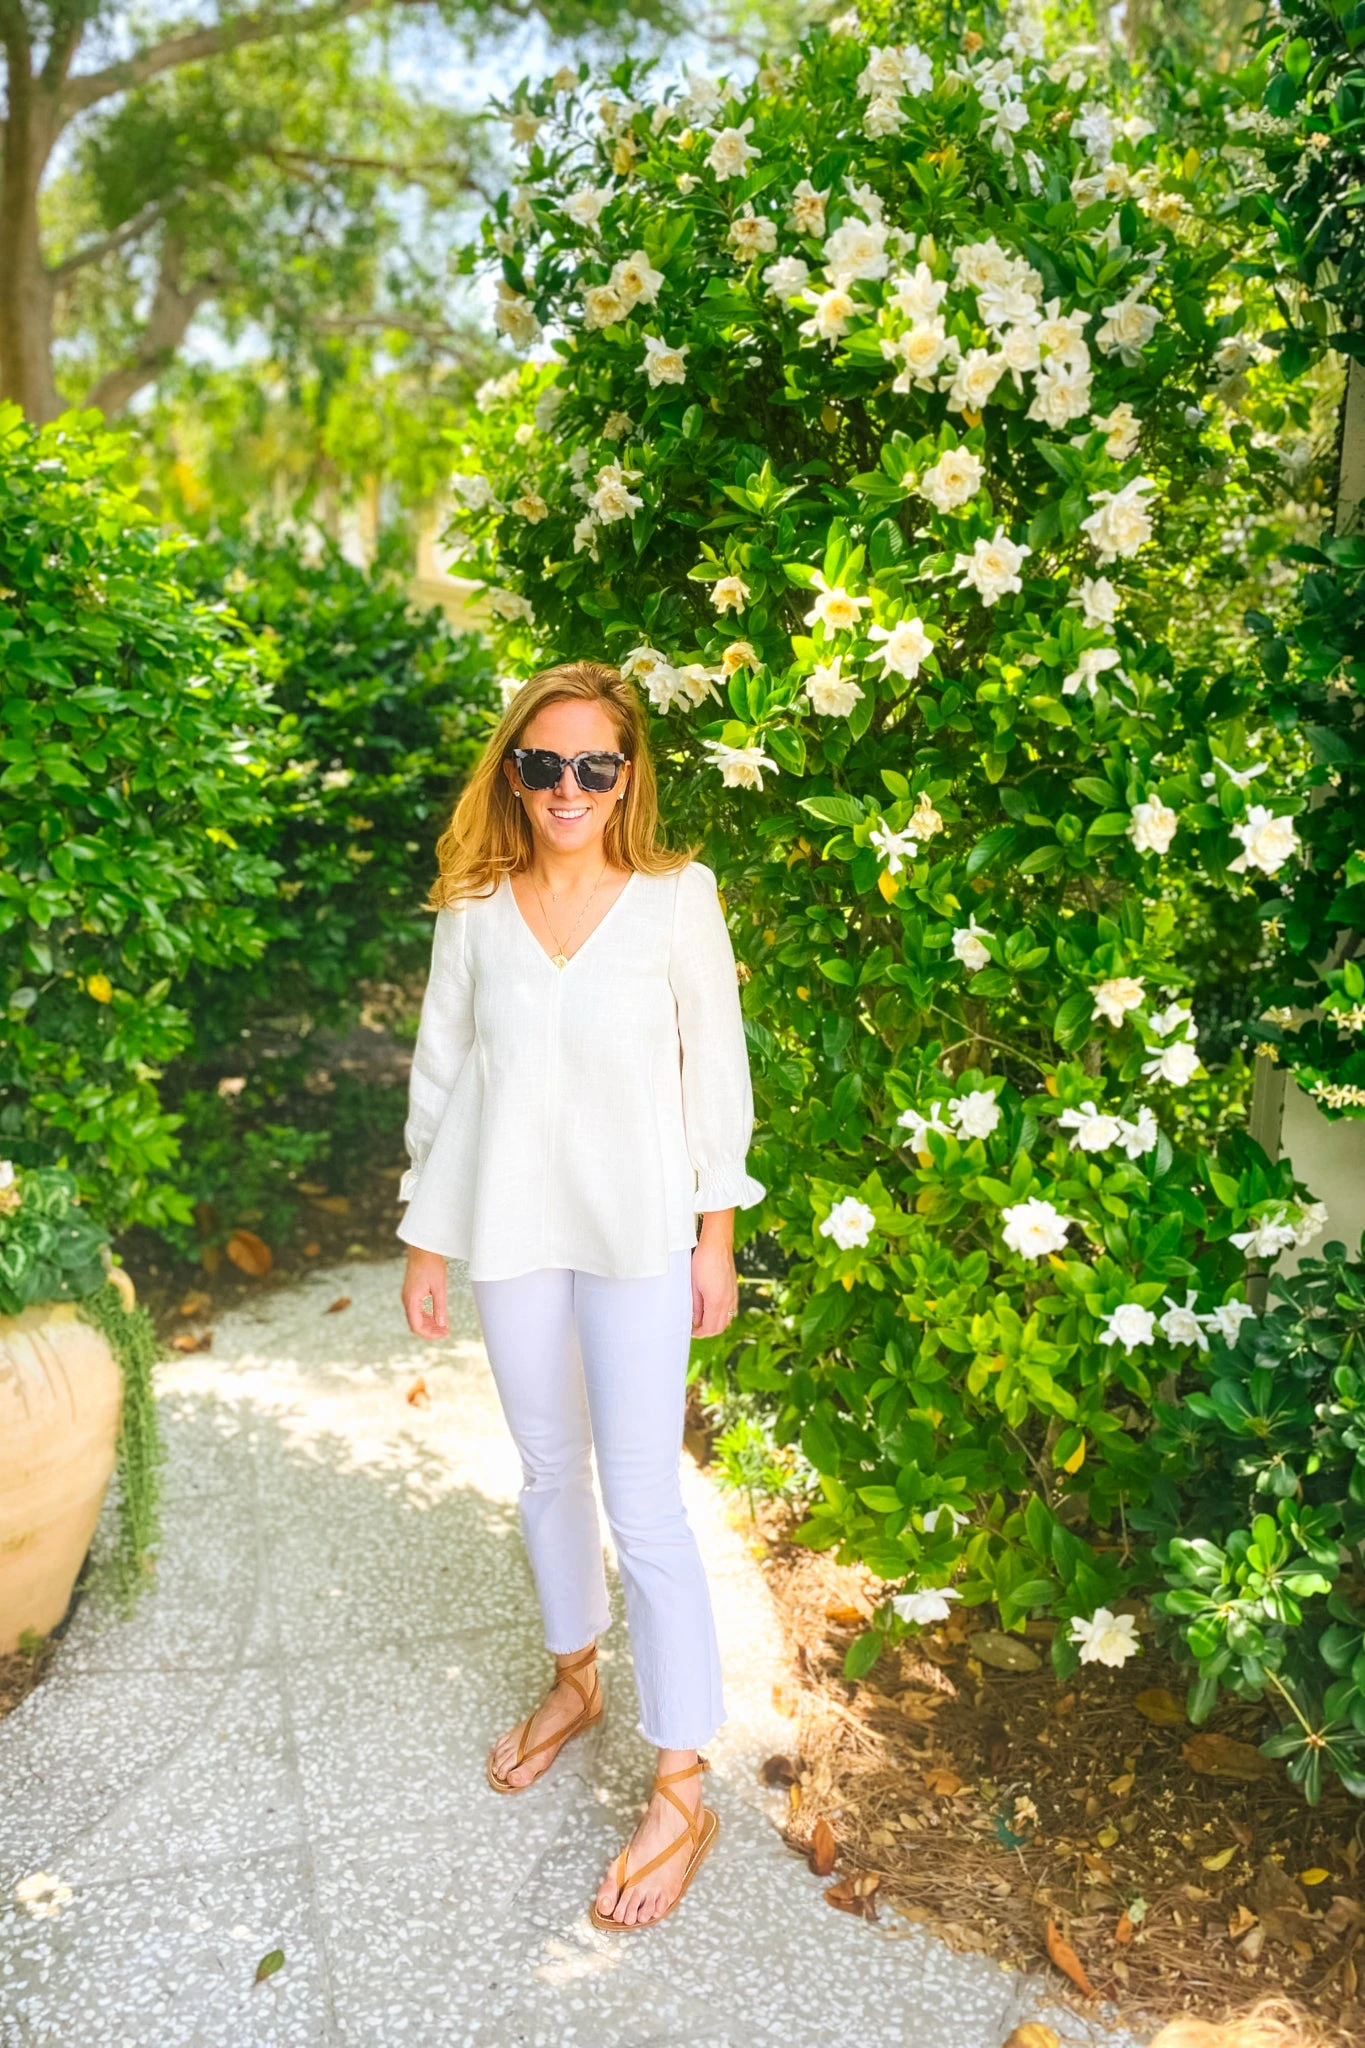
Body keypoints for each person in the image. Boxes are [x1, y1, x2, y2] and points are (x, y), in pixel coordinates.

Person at [397, 659, 765, 1931]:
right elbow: (442, 1075)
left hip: (640, 1236)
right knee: (550, 1469)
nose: (568, 786)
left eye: (593, 765)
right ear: (513, 771)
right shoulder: (475, 906)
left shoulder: (678, 898)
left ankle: (683, 1783)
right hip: (509, 1232)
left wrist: (716, 1236)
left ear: (626, 775)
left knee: (645, 1497)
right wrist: (425, 1236)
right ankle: (575, 1677)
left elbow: (716, 1077)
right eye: (543, 763)